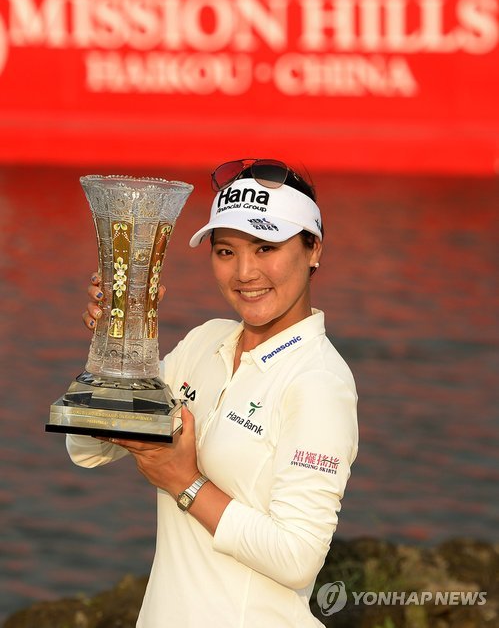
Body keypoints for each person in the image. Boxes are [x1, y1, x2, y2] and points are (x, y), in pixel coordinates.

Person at [69, 158, 358, 628]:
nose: (245, 272)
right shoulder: (205, 341)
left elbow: (298, 557)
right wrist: (116, 346)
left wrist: (184, 482)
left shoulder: (319, 381)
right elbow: (89, 448)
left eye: (266, 247)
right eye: (226, 251)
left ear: (314, 249)